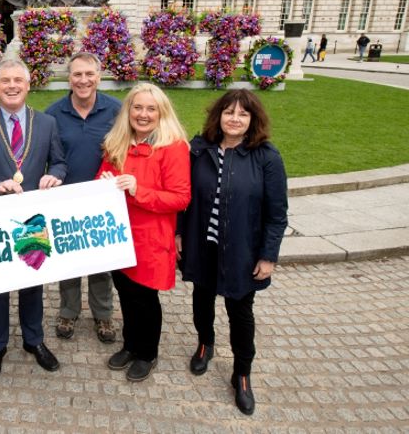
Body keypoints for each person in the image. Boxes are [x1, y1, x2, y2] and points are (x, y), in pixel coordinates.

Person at [177, 89, 288, 416]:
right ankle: (205, 343)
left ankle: (242, 372)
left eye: (243, 114)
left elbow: (277, 213)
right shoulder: (200, 150)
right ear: (218, 116)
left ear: (252, 120)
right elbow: (185, 197)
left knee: (241, 313)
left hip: (242, 251)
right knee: (201, 298)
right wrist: (180, 232)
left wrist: (268, 255)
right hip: (203, 246)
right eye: (229, 112)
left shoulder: (266, 156)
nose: (235, 119)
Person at [0, 58, 67, 380]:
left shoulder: (46, 123)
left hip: (32, 216)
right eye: (4, 81)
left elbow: (59, 163)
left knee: (32, 280)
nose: (11, 86)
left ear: (28, 85)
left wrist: (55, 177)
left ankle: (34, 340)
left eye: (18, 80)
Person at [97, 84, 191, 382]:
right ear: (128, 110)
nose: (143, 114)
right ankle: (130, 344)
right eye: (137, 107)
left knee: (145, 300)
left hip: (150, 238)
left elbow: (180, 198)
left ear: (161, 112)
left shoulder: (172, 146)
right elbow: (101, 175)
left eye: (151, 109)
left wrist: (139, 190)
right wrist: (105, 180)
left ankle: (147, 352)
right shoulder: (118, 141)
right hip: (119, 234)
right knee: (125, 293)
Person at [45, 52, 121, 343]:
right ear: (69, 77)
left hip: (105, 199)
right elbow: (51, 156)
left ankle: (103, 316)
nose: (83, 80)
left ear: (99, 76)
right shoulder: (54, 113)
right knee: (70, 260)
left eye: (89, 74)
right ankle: (69, 310)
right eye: (77, 74)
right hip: (67, 199)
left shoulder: (116, 111)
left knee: (102, 263)